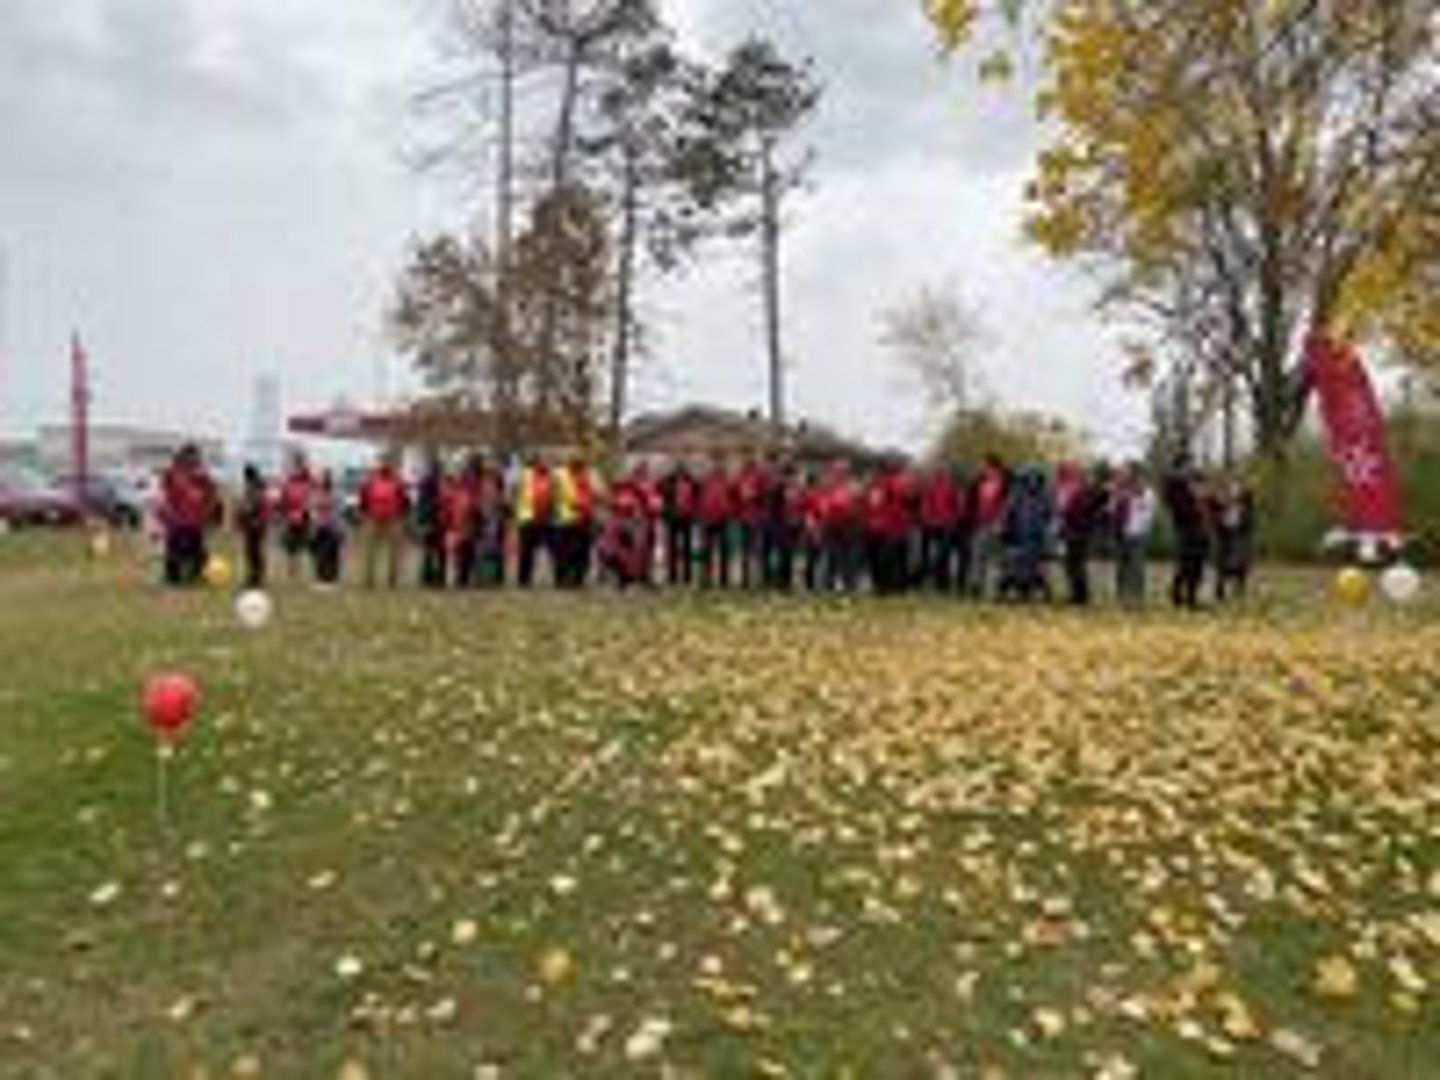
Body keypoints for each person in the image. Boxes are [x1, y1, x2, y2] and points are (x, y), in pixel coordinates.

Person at [159, 444, 218, 586]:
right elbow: (165, 493)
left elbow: (211, 495)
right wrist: (166, 512)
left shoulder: (202, 476)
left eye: (196, 456)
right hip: (176, 519)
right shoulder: (173, 473)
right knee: (173, 549)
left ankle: (196, 575)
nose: (194, 459)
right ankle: (172, 577)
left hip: (195, 520)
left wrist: (208, 514)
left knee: (197, 551)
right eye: (191, 456)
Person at [998, 465, 1053, 603]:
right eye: (1029, 479)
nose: (1032, 482)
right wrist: (1005, 530)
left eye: (1035, 479)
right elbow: (1007, 514)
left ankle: (1034, 593)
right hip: (1018, 536)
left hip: (1036, 538)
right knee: (1013, 567)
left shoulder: (1044, 496)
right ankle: (1008, 592)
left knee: (1037, 569)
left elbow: (1051, 516)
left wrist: (1048, 533)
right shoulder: (1016, 495)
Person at [1163, 453, 1209, 610]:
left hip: (1198, 526)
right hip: (1185, 527)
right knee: (1186, 563)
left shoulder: (1192, 481)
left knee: (1196, 564)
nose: (1191, 467)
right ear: (1181, 465)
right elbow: (1175, 504)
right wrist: (1194, 498)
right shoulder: (1174, 484)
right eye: (1188, 464)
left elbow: (1205, 497)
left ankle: (1190, 596)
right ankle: (1178, 594)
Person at [1059, 464, 1109, 606]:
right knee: (1071, 564)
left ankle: (1081, 595)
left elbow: (1088, 510)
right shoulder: (1076, 492)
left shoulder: (1089, 493)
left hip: (1080, 530)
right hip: (1071, 529)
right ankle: (1076, 593)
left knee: (1076, 563)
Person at [359, 451, 408, 589]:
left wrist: (402, 517)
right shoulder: (370, 480)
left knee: (394, 551)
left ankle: (392, 579)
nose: (385, 464)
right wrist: (364, 515)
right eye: (383, 461)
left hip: (393, 518)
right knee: (370, 550)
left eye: (388, 461)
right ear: (379, 463)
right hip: (373, 517)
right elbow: (363, 499)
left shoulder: (398, 481)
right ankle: (369, 579)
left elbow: (405, 500)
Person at [1112, 462, 1156, 607]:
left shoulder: (1146, 492)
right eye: (1122, 472)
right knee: (1121, 566)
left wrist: (1137, 497)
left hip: (1137, 533)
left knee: (1137, 566)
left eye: (1126, 472)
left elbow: (1148, 513)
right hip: (1121, 532)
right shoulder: (1118, 490)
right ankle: (1121, 596)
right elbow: (1111, 509)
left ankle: (1137, 597)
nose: (1123, 474)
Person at [554, 455, 599, 589]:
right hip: (566, 519)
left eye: (580, 464)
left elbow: (599, 494)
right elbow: (554, 494)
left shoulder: (591, 475)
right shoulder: (560, 475)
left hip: (585, 519)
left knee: (583, 552)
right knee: (565, 552)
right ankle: (562, 579)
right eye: (575, 463)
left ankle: (578, 579)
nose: (577, 467)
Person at [969, 455, 1010, 599]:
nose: (983, 469)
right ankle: (976, 588)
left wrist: (1002, 522)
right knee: (977, 557)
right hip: (980, 524)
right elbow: (972, 503)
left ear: (995, 468)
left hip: (997, 525)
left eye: (985, 466)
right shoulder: (978, 483)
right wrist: (974, 520)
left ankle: (993, 590)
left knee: (995, 559)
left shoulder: (1006, 483)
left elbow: (1008, 505)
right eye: (983, 467)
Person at [1212, 477, 1256, 602]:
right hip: (1225, 535)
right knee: (1223, 565)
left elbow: (1249, 497)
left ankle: (1239, 591)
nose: (1234, 490)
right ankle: (1220, 591)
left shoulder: (1245, 502)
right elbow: (1215, 515)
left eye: (1237, 488)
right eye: (1232, 488)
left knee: (1241, 564)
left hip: (1240, 535)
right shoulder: (1220, 503)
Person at [821, 460, 863, 593]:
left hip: (850, 526)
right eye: (837, 470)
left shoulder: (854, 486)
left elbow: (858, 505)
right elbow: (823, 504)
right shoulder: (828, 485)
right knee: (832, 557)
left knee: (850, 559)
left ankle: (849, 585)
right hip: (832, 526)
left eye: (844, 471)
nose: (840, 473)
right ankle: (828, 585)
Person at [514, 455, 555, 588]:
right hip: (527, 518)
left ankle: (548, 578)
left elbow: (553, 496)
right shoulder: (525, 475)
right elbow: (514, 492)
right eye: (541, 462)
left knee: (549, 551)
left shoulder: (550, 477)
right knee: (526, 552)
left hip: (545, 519)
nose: (544, 464)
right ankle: (523, 580)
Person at [919, 466, 963, 591]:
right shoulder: (931, 488)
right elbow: (926, 505)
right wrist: (928, 519)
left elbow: (958, 506)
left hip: (947, 526)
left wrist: (953, 521)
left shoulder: (951, 487)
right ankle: (938, 582)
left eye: (941, 473)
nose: (939, 476)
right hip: (934, 526)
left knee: (944, 555)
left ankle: (943, 583)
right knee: (936, 555)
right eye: (938, 474)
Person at [661, 462, 699, 587]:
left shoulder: (692, 482)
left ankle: (687, 576)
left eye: (682, 470)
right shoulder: (668, 482)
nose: (680, 472)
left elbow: (697, 495)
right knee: (672, 548)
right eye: (678, 470)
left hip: (686, 518)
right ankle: (672, 575)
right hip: (672, 518)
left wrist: (693, 512)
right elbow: (663, 495)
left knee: (686, 548)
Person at [445, 458, 482, 589]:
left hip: (468, 523)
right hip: (456, 523)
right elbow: (448, 504)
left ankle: (466, 579)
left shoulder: (473, 488)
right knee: (457, 553)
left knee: (468, 552)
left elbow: (476, 506)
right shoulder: (453, 487)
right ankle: (457, 579)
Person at [278, 453, 315, 581]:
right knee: (291, 546)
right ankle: (292, 569)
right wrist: (285, 513)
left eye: (300, 464)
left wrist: (306, 510)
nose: (298, 468)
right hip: (291, 517)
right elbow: (283, 500)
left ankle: (297, 569)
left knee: (301, 545)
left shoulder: (308, 480)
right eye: (297, 464)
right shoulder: (289, 481)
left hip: (303, 516)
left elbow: (311, 497)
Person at [698, 459, 734, 589]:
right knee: (707, 552)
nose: (716, 466)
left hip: (723, 519)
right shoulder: (705, 481)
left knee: (724, 551)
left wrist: (729, 512)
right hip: (708, 520)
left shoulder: (728, 481)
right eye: (714, 464)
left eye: (719, 463)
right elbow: (700, 499)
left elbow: (732, 498)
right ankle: (706, 579)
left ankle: (724, 580)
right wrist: (702, 515)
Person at [416, 455, 449, 589]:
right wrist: (423, 520)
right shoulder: (427, 483)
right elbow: (423, 504)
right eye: (436, 468)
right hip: (432, 519)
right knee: (432, 551)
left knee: (438, 551)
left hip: (440, 520)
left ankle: (438, 577)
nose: (438, 470)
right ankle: (430, 577)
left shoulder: (442, 482)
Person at [236, 464, 270, 590]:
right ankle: (255, 577)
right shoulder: (257, 487)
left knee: (253, 552)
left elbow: (250, 507)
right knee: (254, 552)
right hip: (255, 524)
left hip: (255, 525)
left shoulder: (254, 488)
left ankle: (255, 578)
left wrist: (243, 516)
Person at [311, 469, 346, 587]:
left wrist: (331, 520)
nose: (325, 481)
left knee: (333, 555)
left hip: (334, 528)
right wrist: (316, 520)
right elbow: (313, 509)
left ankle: (333, 579)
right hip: (320, 528)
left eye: (327, 478)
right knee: (320, 554)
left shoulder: (337, 493)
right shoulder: (316, 493)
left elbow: (340, 510)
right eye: (323, 478)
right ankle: (320, 579)